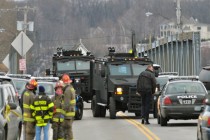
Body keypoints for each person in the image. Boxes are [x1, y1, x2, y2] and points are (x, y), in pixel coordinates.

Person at [61, 74, 76, 140]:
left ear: (64, 82)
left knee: (67, 131)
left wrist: (62, 113)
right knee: (69, 130)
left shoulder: (67, 91)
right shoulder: (71, 88)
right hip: (71, 112)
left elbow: (66, 104)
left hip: (67, 114)